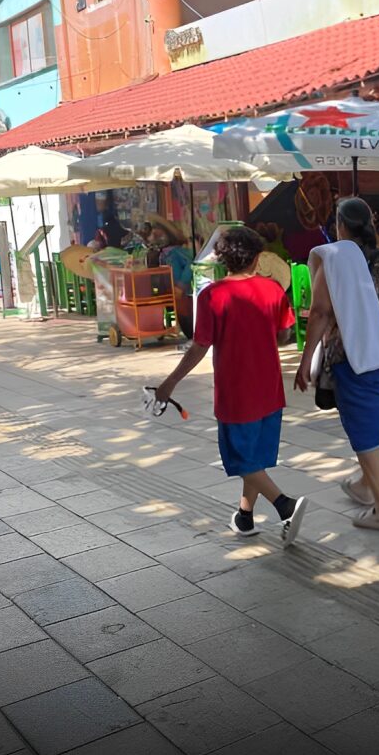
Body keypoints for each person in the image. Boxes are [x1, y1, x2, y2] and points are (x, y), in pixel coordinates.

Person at [155, 227, 307, 545]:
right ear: (256, 258)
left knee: (241, 460)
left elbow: (199, 346)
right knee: (255, 458)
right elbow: (284, 335)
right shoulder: (273, 289)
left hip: (236, 392)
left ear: (223, 260)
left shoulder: (212, 295)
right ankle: (245, 515)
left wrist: (169, 383)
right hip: (269, 388)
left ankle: (285, 505)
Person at [295, 198, 379, 530]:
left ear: (340, 225)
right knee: (374, 426)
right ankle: (365, 486)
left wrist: (306, 358)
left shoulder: (336, 262)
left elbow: (321, 313)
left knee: (365, 432)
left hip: (357, 354)